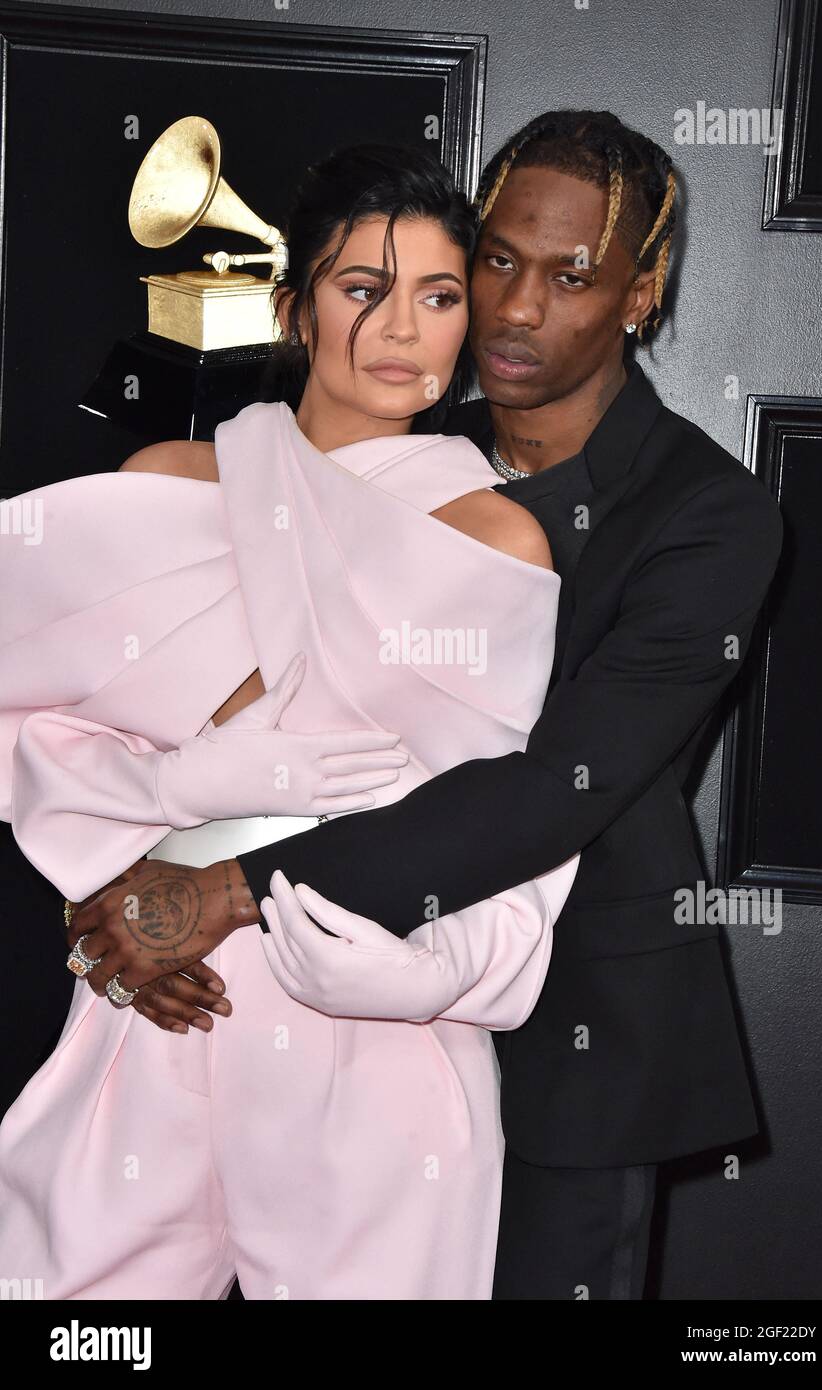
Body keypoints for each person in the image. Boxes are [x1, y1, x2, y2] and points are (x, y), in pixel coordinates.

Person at [88, 110, 786, 1300]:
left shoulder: (709, 517)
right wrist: (130, 876)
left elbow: (549, 788)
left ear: (640, 292)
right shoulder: (405, 441)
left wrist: (215, 894)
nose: (516, 307)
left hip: (576, 1025)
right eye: (499, 259)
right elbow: (241, 706)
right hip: (323, 1010)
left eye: (572, 276)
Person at [0, 143, 581, 1300]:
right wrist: (152, 822)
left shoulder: (495, 537)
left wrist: (429, 974)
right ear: (293, 306)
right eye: (361, 288)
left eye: (438, 295)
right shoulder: (166, 479)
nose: (400, 328)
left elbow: (508, 819)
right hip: (154, 990)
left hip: (363, 1010)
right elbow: (33, 717)